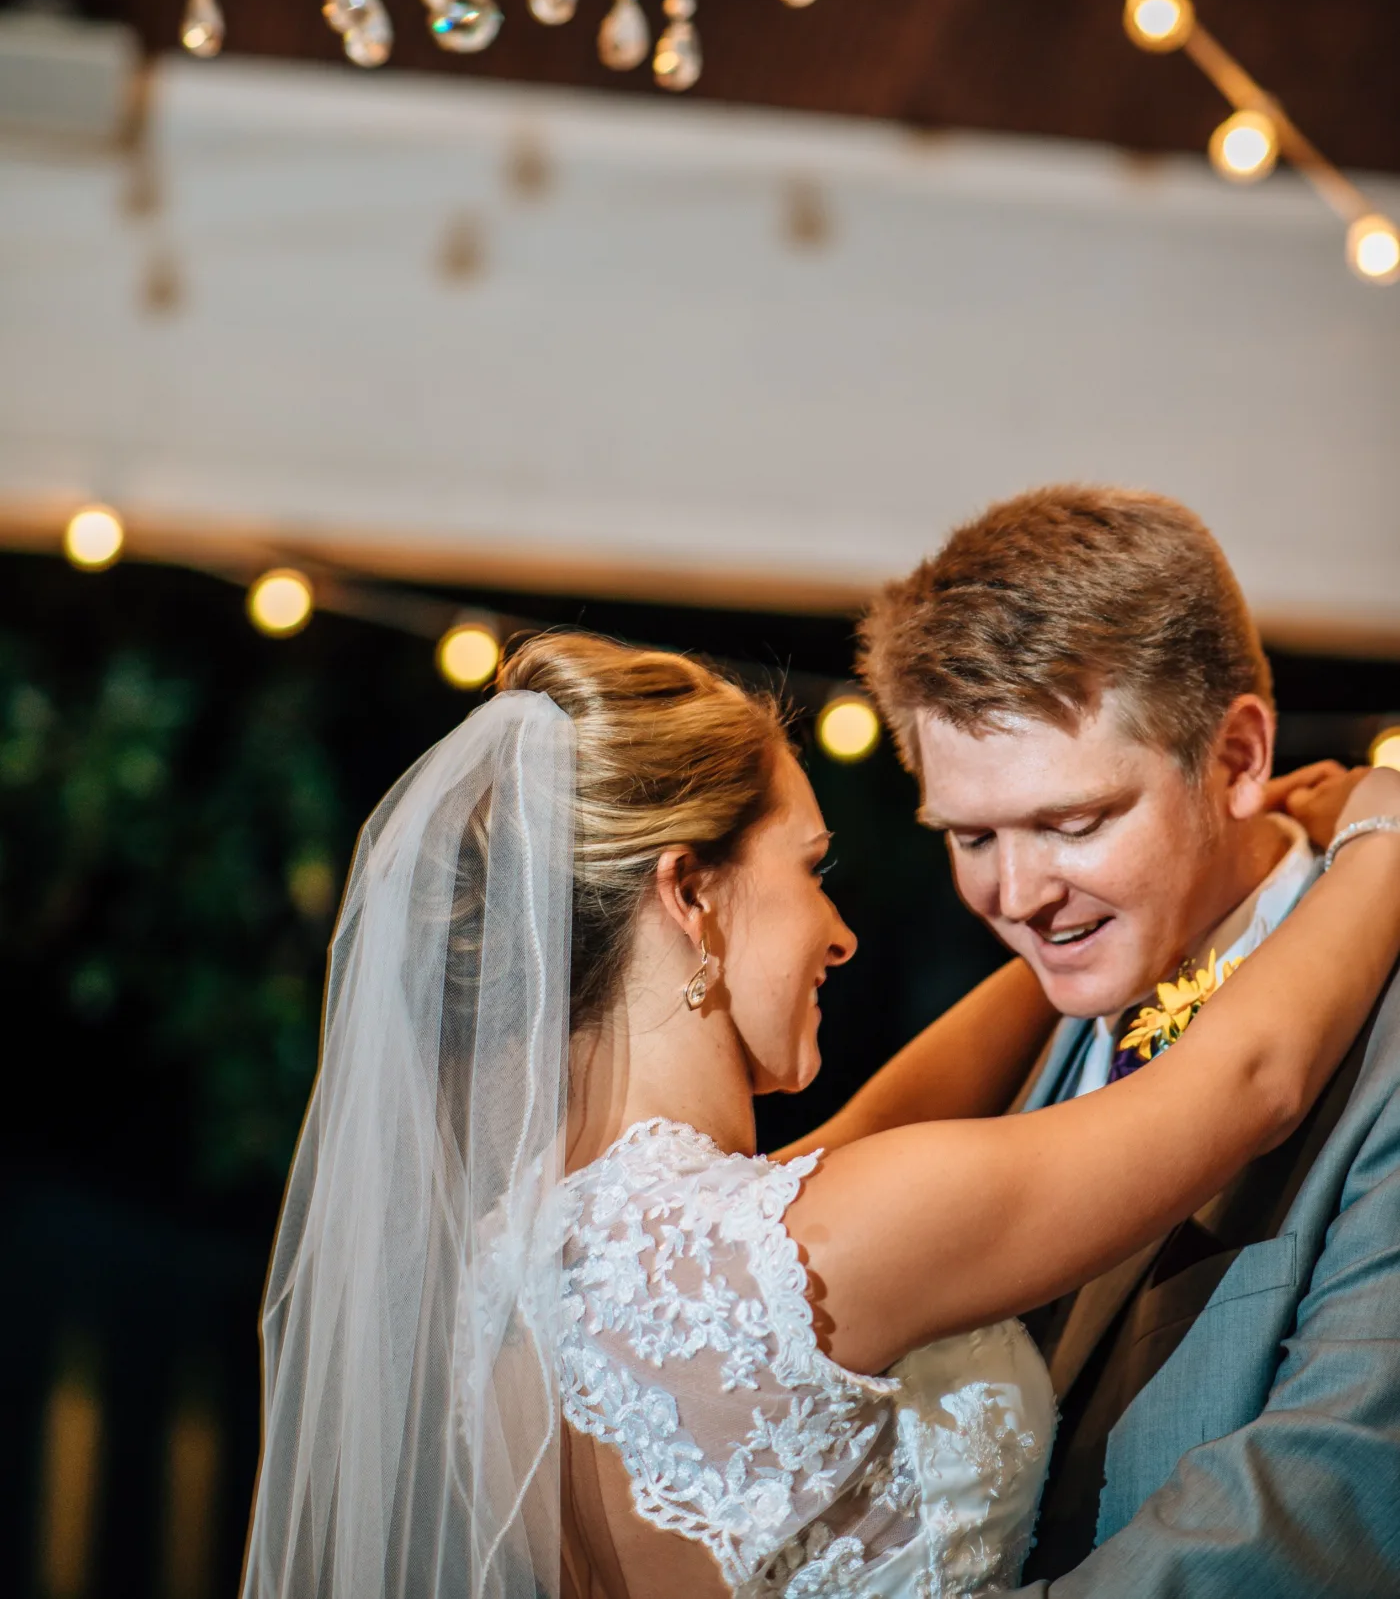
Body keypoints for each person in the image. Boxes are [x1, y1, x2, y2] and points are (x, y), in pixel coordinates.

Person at [239, 627, 1400, 1599]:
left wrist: (1140, 908)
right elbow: (1253, 1078)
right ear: (688, 894)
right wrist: (1376, 829)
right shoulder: (814, 1242)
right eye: (809, 870)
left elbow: (899, 1111)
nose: (837, 932)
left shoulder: (541, 1262)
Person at [859, 484, 1400, 1598]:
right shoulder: (1021, 1036)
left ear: (1239, 754)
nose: (1017, 896)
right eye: (968, 836)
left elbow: (1328, 1489)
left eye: (1073, 822)